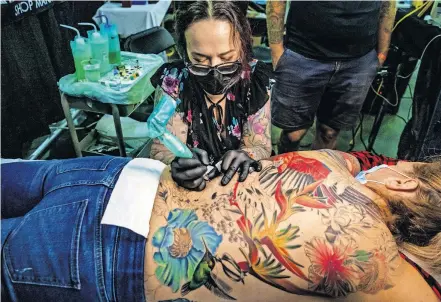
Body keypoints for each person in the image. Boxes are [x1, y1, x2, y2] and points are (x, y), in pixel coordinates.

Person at [2, 151, 440, 301]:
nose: (390, 163)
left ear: (402, 181)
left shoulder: (371, 251)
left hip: (109, 224)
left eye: (402, 165)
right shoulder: (346, 173)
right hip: (110, 203)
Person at [150, 1, 273, 191]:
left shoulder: (254, 81)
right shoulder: (173, 82)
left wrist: (248, 154)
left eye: (227, 58)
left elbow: (261, 146)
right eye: (199, 60)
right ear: (184, 52)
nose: (215, 71)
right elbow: (161, 150)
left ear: (242, 47)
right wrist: (177, 164)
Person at [267, 1, 397, 153]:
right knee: (293, 134)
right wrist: (276, 49)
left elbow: (389, 3)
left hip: (358, 60)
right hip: (303, 55)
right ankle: (285, 167)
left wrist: (382, 53)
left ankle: (320, 171)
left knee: (329, 133)